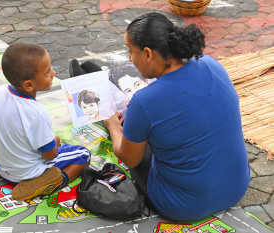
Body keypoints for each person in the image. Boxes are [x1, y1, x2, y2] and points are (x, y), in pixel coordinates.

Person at [104, 12, 250, 222]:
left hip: (185, 205)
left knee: (136, 149)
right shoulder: (212, 64)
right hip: (236, 188)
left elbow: (129, 158)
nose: (129, 59)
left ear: (148, 54)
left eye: (130, 51)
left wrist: (113, 127)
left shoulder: (144, 100)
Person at [0, 43, 91, 201]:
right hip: (24, 174)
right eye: (47, 72)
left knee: (10, 137)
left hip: (1, 163)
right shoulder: (37, 113)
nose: (53, 73)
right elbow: (49, 155)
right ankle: (52, 181)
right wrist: (54, 141)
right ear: (28, 85)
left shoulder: (0, 91)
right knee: (84, 155)